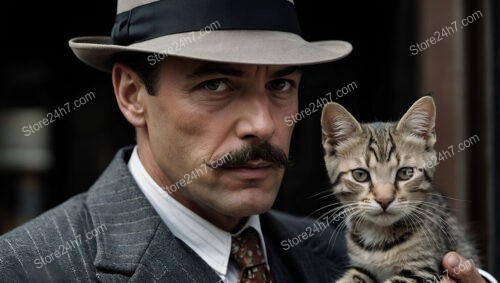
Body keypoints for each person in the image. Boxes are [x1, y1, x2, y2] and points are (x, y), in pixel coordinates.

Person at [0, 0, 495, 282]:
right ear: (133, 95)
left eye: (280, 84)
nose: (262, 124)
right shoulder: (27, 268)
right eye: (216, 84)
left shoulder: (333, 250)